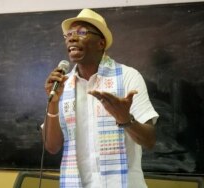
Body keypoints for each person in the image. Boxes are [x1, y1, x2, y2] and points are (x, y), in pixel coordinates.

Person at [43, 8, 159, 188]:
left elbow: (149, 140)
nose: (72, 38)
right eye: (69, 34)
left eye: (81, 32)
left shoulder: (128, 77)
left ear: (101, 43)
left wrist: (125, 119)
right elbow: (52, 147)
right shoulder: (62, 85)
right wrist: (53, 104)